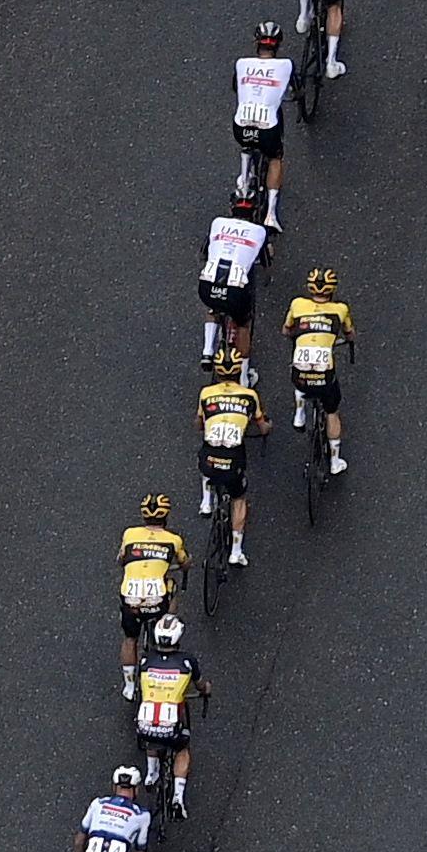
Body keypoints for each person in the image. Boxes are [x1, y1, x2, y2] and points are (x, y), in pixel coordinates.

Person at [194, 347, 265, 571]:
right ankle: (236, 551)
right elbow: (261, 425)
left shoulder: (206, 393)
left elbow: (199, 424)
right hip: (233, 459)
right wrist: (265, 428)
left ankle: (206, 501)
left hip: (210, 457)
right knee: (239, 498)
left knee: (204, 459)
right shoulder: (250, 396)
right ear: (238, 371)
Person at [114, 497, 191, 693]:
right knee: (172, 587)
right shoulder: (174, 540)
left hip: (130, 598)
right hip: (157, 599)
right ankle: (166, 623)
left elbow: (121, 559)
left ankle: (129, 686)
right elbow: (184, 562)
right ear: (166, 516)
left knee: (130, 638)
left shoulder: (130, 534)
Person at [284, 267, 356, 475]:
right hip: (325, 375)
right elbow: (350, 333)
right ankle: (335, 461)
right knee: (332, 411)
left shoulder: (297, 304)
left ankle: (299, 414)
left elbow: (286, 330)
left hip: (301, 373)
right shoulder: (340, 310)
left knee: (298, 379)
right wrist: (348, 341)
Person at [129, 612, 204, 813]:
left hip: (144, 725)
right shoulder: (187, 662)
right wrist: (206, 690)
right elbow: (200, 685)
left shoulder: (145, 661)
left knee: (150, 734)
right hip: (171, 726)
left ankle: (151, 773)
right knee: (182, 749)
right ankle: (178, 797)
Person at [229, 21, 299, 214]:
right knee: (275, 157)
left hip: (240, 127)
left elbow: (237, 87)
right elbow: (295, 92)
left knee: (246, 142)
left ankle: (244, 179)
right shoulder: (285, 65)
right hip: (268, 129)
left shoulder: (242, 63)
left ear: (256, 42)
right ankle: (270, 214)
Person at [198, 200, 272, 364]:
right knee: (243, 323)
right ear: (253, 213)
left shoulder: (218, 222)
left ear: (231, 209)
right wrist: (268, 275)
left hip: (207, 287)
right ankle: (244, 374)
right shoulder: (259, 230)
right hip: (235, 292)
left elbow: (203, 253)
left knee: (213, 308)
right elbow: (267, 260)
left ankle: (207, 352)